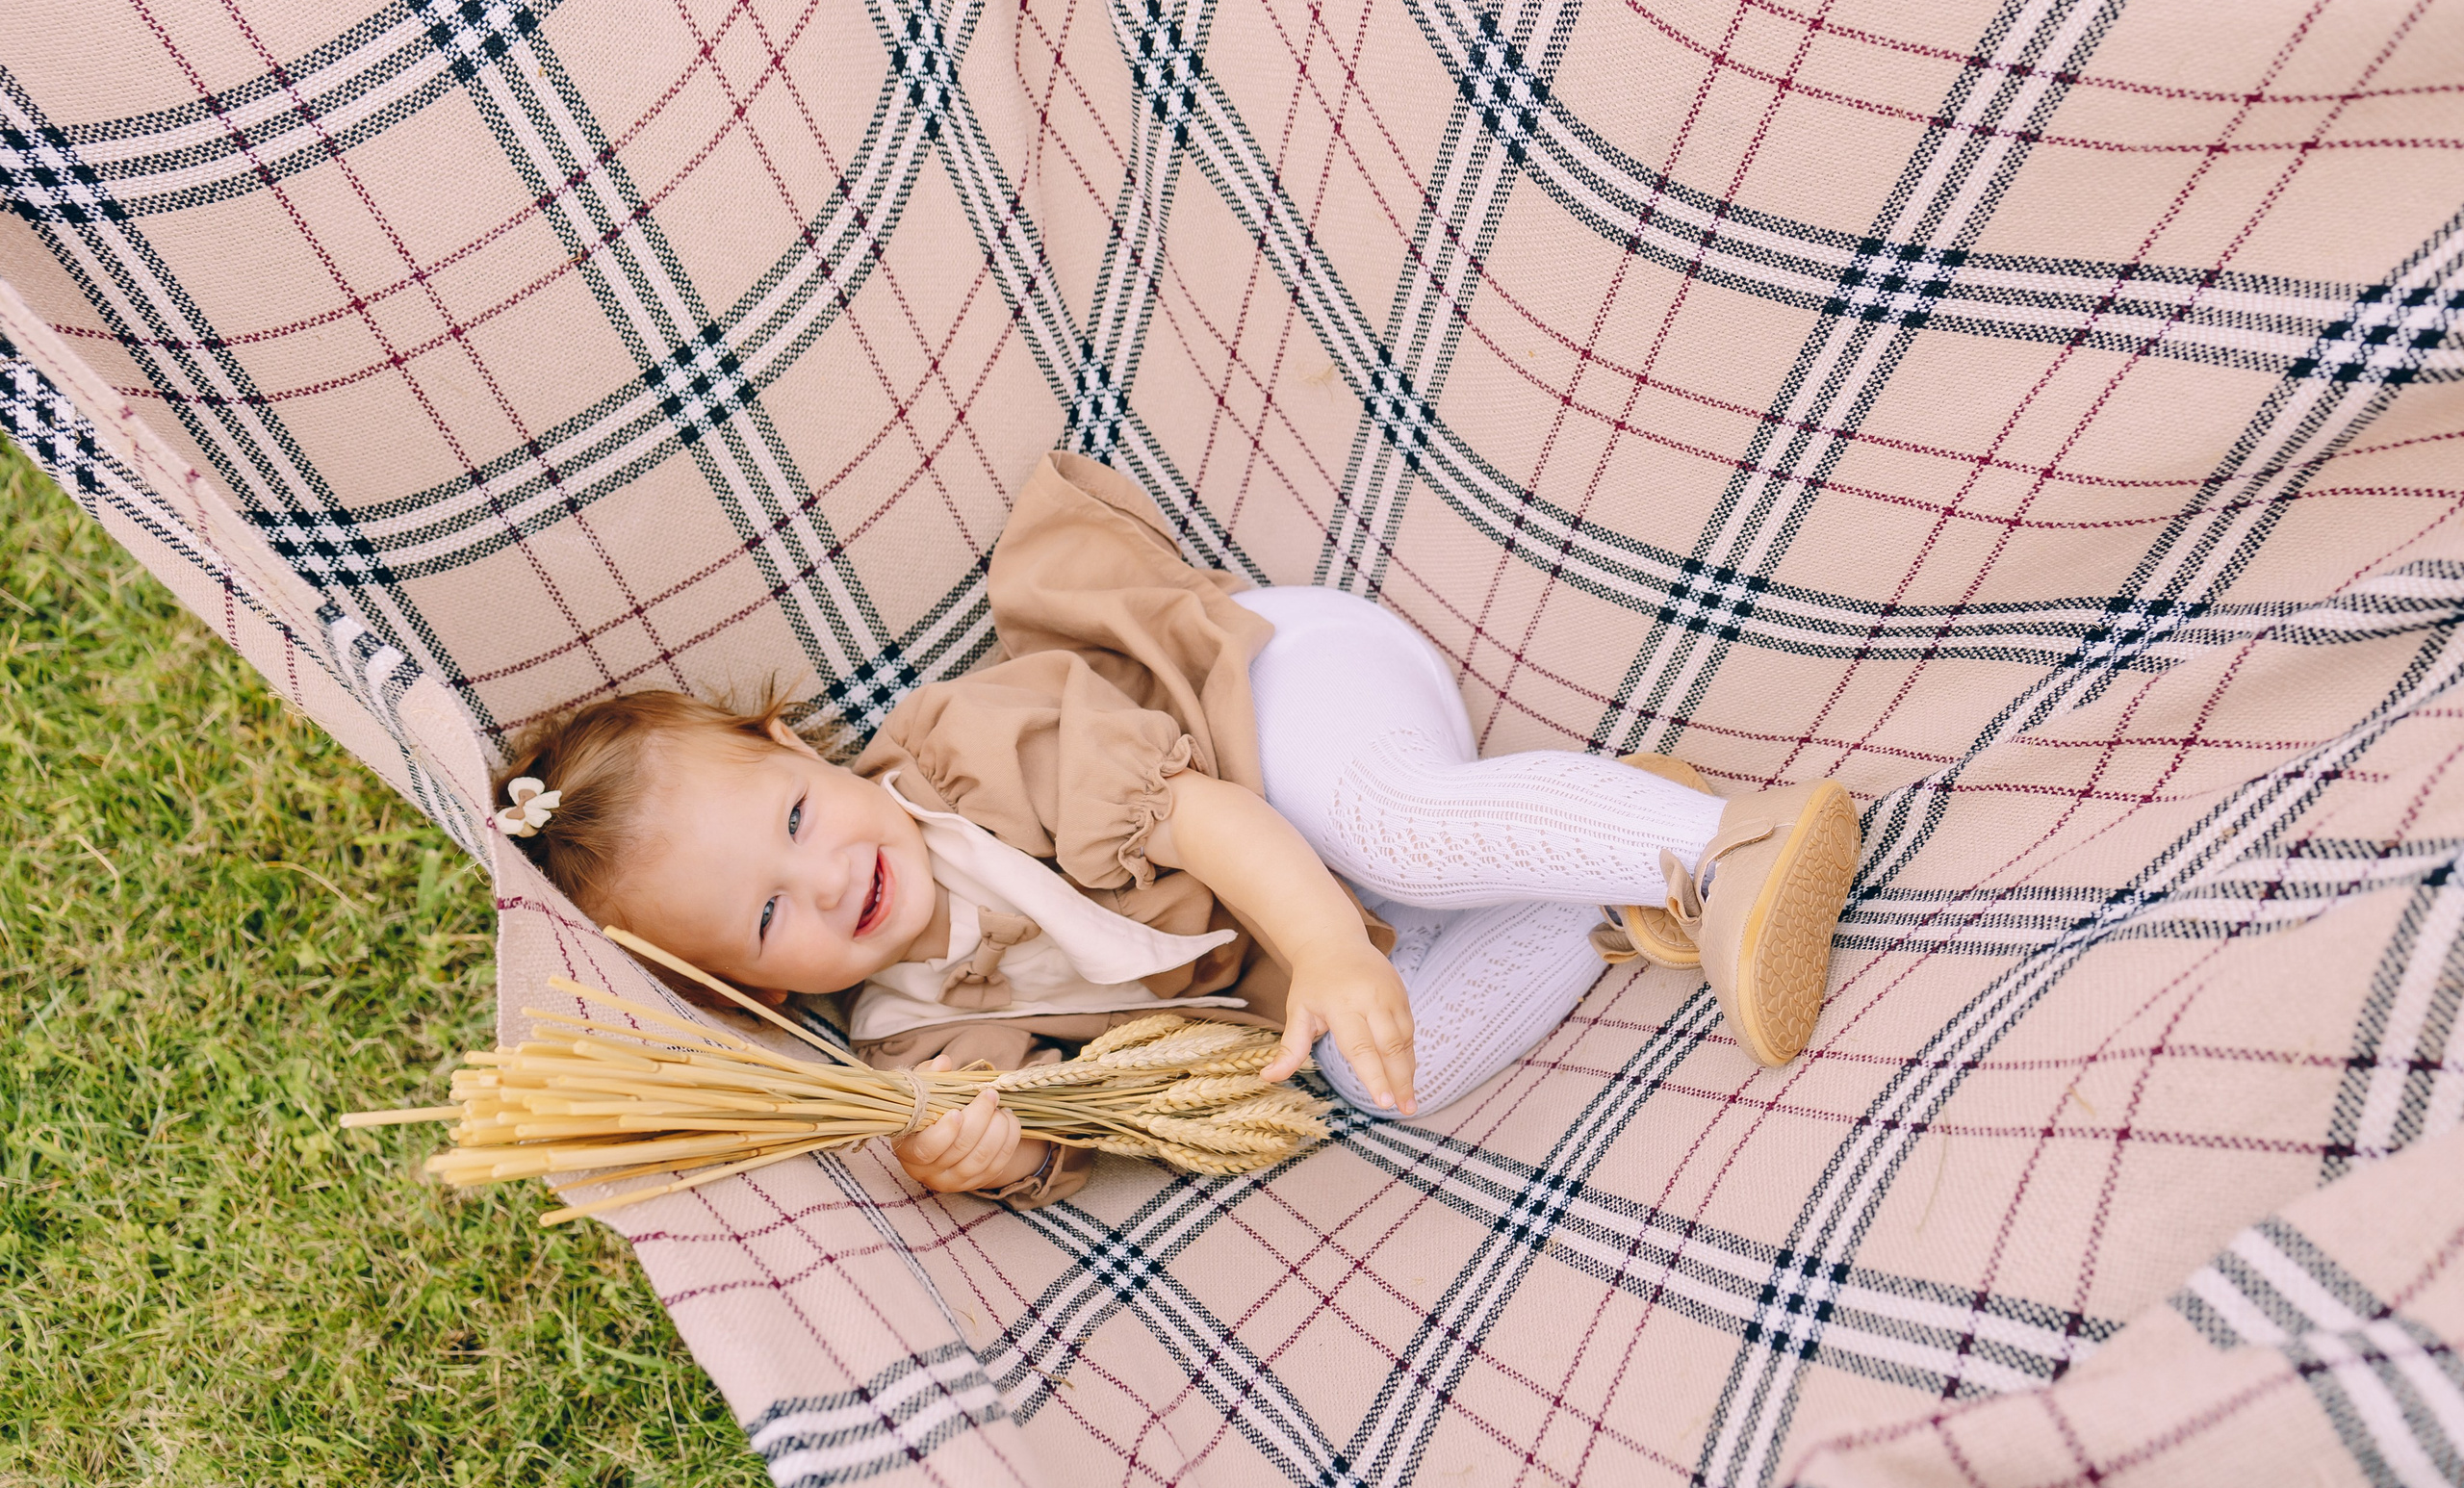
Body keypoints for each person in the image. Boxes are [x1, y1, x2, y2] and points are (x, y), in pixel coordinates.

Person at [491, 454, 1860, 1206]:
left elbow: (1202, 818)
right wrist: (988, 1155)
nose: (827, 872)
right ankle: (1606, 869)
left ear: (799, 747)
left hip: (1278, 707)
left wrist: (1325, 944)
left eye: (795, 816)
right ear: (765, 989)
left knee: (1390, 833)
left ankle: (1728, 838)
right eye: (767, 912)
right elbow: (1063, 1109)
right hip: (1312, 920)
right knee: (1384, 1068)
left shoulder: (964, 757)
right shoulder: (906, 1035)